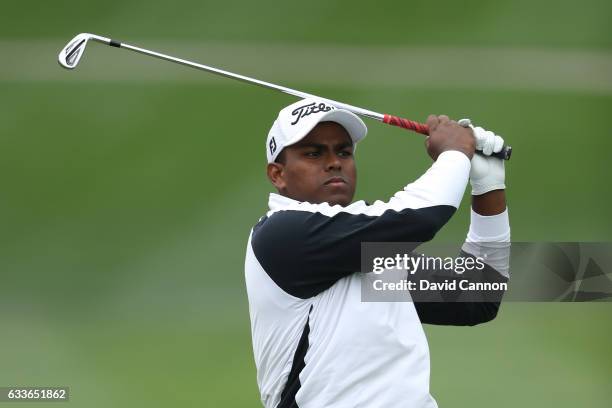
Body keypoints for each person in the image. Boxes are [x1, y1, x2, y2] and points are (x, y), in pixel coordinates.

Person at [244, 97, 510, 408]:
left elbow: (477, 297)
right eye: (314, 153)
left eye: (343, 151)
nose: (334, 162)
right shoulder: (284, 235)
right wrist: (454, 154)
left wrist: (488, 187)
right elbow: (418, 217)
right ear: (278, 175)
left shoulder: (361, 248)